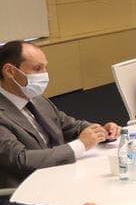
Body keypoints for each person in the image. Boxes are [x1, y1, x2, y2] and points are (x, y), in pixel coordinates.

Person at [0, 41, 121, 188]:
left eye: (45, 68)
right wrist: (80, 145)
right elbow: (20, 159)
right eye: (37, 69)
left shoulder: (38, 100)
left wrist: (101, 132)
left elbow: (70, 126)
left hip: (61, 175)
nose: (44, 75)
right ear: (10, 71)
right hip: (28, 189)